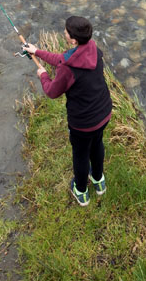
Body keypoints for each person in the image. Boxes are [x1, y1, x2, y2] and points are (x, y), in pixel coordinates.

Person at [23, 16, 112, 207]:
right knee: (97, 144)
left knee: (80, 155)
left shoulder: (68, 69)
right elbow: (62, 59)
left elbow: (53, 91)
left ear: (73, 40)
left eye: (66, 31)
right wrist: (36, 51)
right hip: (104, 113)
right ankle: (99, 181)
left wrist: (43, 75)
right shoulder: (93, 49)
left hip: (83, 123)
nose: (63, 32)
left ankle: (81, 191)